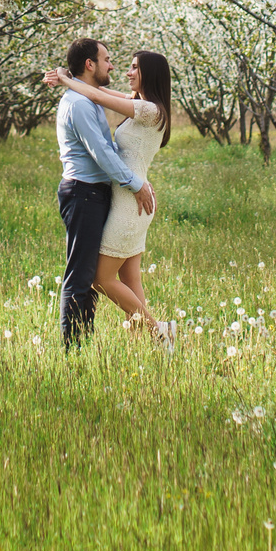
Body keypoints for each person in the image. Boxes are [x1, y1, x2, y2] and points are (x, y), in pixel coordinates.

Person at [44, 46, 175, 344]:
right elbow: (103, 93)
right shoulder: (141, 103)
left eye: (133, 68)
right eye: (118, 63)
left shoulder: (149, 109)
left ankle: (159, 332)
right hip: (131, 195)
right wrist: (69, 78)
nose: (125, 72)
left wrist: (66, 79)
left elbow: (99, 96)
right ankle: (153, 345)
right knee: (130, 280)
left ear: (149, 75)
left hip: (131, 200)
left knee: (100, 279)